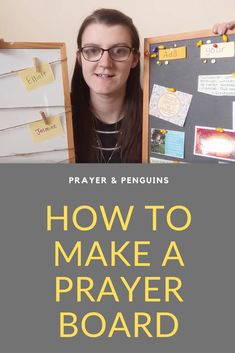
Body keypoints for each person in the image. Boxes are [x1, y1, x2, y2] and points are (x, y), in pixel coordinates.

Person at [71, 8, 142, 163]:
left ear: (135, 59)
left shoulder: (157, 116)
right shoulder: (59, 116)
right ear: (79, 58)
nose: (105, 63)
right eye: (92, 50)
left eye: (119, 51)